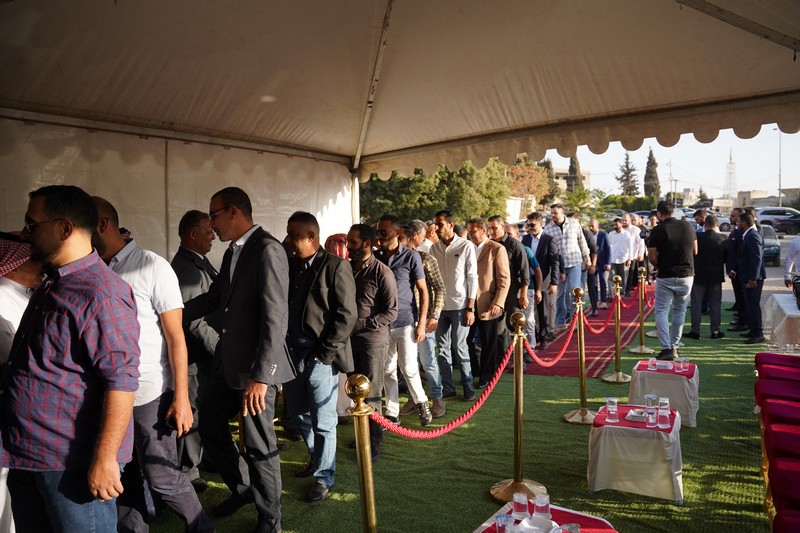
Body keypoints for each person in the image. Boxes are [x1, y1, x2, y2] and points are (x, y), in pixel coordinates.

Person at [2, 185, 140, 532]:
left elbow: (121, 381)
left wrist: (105, 458)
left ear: (65, 228)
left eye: (32, 225)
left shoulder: (102, 293)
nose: (25, 234)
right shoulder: (53, 284)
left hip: (70, 464)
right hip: (29, 454)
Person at [91, 197, 211, 532]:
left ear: (101, 224)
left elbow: (176, 338)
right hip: (108, 395)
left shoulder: (152, 266)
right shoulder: (92, 268)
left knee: (162, 476)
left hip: (149, 395)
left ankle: (201, 528)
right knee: (125, 475)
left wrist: (181, 398)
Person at [183, 187, 295, 533]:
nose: (211, 224)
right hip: (228, 365)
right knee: (209, 426)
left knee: (260, 444)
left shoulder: (267, 249)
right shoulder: (234, 251)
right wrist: (171, 312)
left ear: (233, 211)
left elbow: (276, 318)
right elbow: (215, 298)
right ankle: (245, 489)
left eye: (213, 215)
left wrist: (262, 377)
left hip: (255, 370)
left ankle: (270, 518)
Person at [283, 212, 357, 503]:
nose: (288, 239)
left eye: (293, 234)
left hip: (319, 358)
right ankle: (317, 460)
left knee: (324, 421)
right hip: (291, 356)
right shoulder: (290, 265)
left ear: (311, 236)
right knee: (299, 414)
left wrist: (324, 355)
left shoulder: (336, 266)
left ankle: (324, 477)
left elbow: (346, 316)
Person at [170, 210, 221, 494]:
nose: (213, 235)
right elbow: (191, 319)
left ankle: (204, 457)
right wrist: (218, 347)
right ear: (192, 234)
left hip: (202, 355)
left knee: (206, 410)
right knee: (193, 412)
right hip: (195, 356)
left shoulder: (197, 261)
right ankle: (188, 471)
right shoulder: (188, 269)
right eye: (208, 230)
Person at [0, 231, 42, 533]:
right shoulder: (2, 298)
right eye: (34, 259)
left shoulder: (27, 294)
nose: (42, 265)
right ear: (14, 263)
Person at [347, 223, 398, 460]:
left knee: (372, 394)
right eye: (348, 241)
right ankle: (362, 434)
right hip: (349, 341)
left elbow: (392, 312)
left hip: (373, 342)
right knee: (355, 391)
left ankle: (374, 441)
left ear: (367, 244)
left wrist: (362, 324)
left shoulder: (382, 272)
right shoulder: (347, 268)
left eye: (353, 242)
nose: (348, 246)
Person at [375, 214, 432, 425]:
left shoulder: (411, 257)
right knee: (387, 369)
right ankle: (392, 412)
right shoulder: (375, 257)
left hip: (406, 321)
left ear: (397, 233)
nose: (380, 236)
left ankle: (422, 402)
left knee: (408, 367)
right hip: (383, 323)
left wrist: (421, 324)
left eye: (384, 232)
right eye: (378, 232)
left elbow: (423, 291)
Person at [430, 210, 478, 401]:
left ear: (451, 225)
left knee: (459, 347)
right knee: (442, 349)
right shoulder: (434, 248)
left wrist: (470, 307)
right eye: (435, 224)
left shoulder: (466, 246)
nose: (436, 228)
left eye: (440, 224)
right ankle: (448, 387)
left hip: (461, 306)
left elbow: (472, 277)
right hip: (440, 307)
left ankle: (467, 385)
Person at [402, 220, 447, 418]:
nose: (424, 238)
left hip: (423, 317)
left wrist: (434, 315)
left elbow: (440, 288)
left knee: (428, 362)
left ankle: (437, 399)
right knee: (408, 364)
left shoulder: (426, 259)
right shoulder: (395, 258)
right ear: (416, 236)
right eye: (423, 235)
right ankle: (415, 399)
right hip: (403, 319)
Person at [647, 201, 697, 360]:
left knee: (662, 310)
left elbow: (652, 257)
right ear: (673, 212)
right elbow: (695, 250)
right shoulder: (688, 226)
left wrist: (660, 266)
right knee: (680, 310)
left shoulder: (658, 230)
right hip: (686, 275)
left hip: (666, 275)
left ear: (659, 214)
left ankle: (666, 348)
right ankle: (675, 346)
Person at [467, 218, 510, 387]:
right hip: (468, 303)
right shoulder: (467, 247)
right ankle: (474, 370)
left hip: (488, 303)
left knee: (488, 342)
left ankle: (487, 375)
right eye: (469, 231)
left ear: (483, 231)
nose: (470, 234)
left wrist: (498, 302)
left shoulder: (497, 249)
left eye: (473, 231)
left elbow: (504, 279)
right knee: (466, 341)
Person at [487, 215, 530, 359]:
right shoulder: (489, 244)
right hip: (495, 291)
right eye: (490, 228)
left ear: (502, 227)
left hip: (513, 290)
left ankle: (521, 356)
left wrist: (523, 294)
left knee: (514, 324)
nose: (492, 231)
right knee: (497, 327)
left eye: (494, 228)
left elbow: (524, 271)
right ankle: (500, 359)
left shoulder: (514, 244)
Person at [543, 204, 590, 327]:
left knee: (575, 290)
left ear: (562, 212)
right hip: (558, 266)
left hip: (574, 262)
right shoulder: (548, 229)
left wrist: (587, 257)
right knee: (559, 294)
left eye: (555, 213)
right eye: (551, 213)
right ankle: (560, 320)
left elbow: (582, 241)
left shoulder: (574, 224)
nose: (553, 215)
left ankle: (576, 320)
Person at [685, 214, 728, 340]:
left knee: (696, 304)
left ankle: (695, 331)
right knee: (715, 304)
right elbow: (726, 258)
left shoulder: (697, 237)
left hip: (699, 275)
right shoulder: (723, 238)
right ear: (717, 224)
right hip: (715, 276)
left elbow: (692, 253)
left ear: (705, 224)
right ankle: (715, 331)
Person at [522, 212, 560, 350]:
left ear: (540, 224)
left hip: (544, 279)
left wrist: (554, 282)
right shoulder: (525, 239)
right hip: (529, 279)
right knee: (529, 311)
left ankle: (543, 337)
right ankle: (534, 335)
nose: (530, 227)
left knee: (542, 309)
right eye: (528, 225)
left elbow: (555, 262)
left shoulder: (549, 239)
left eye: (532, 225)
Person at [732, 212, 766, 344]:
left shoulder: (753, 236)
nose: (737, 224)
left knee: (753, 306)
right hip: (746, 276)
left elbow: (756, 259)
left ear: (744, 223)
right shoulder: (747, 235)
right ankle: (752, 330)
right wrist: (735, 269)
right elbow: (743, 256)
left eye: (739, 222)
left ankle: (758, 333)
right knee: (749, 305)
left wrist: (753, 278)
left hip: (753, 278)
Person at [607, 218, 634, 296]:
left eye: (616, 224)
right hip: (613, 259)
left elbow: (630, 247)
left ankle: (621, 295)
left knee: (623, 279)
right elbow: (608, 247)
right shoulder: (611, 234)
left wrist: (630, 259)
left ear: (621, 224)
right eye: (614, 225)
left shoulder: (626, 234)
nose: (615, 226)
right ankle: (611, 295)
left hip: (623, 259)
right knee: (611, 278)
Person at [588, 218, 610, 309]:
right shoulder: (588, 235)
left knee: (602, 280)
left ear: (597, 225)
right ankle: (595, 301)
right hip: (592, 263)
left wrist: (608, 262)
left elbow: (608, 249)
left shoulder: (603, 235)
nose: (591, 227)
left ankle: (603, 301)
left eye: (592, 226)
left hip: (602, 262)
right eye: (589, 226)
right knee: (593, 283)